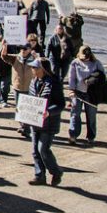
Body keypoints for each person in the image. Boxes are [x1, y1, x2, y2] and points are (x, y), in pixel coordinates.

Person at [27, 57, 66, 187]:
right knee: (35, 151)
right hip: (35, 121)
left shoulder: (54, 83)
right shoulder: (34, 81)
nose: (32, 69)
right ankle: (39, 176)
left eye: (34, 67)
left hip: (49, 123)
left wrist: (49, 112)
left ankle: (56, 172)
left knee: (43, 149)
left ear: (42, 69)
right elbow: (30, 100)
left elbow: (61, 104)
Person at [67, 45, 106, 146]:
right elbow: (71, 78)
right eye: (83, 56)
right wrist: (71, 90)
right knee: (75, 114)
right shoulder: (75, 63)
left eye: (87, 56)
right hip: (78, 92)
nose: (85, 58)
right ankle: (73, 135)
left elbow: (103, 77)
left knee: (91, 116)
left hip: (91, 94)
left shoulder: (97, 63)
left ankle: (91, 137)